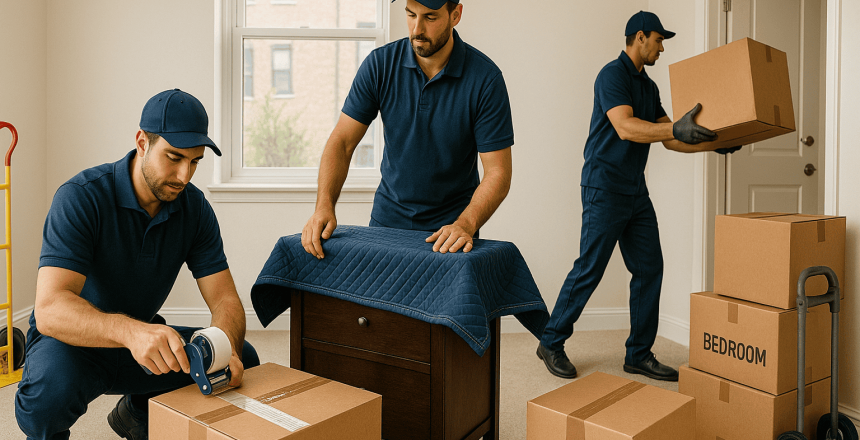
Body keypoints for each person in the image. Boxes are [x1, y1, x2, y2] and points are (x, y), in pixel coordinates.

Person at [15, 89, 260, 440]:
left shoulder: (195, 208)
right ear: (142, 142)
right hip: (73, 344)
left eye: (194, 162)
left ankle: (137, 413)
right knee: (45, 401)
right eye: (174, 157)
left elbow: (225, 300)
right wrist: (131, 332)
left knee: (243, 358)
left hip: (144, 345)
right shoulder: (81, 197)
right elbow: (52, 308)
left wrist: (229, 349)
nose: (184, 175)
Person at [537, 11, 739, 381]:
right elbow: (626, 127)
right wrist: (675, 129)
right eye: (659, 40)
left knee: (649, 268)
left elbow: (670, 135)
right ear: (640, 36)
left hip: (634, 189)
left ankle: (639, 354)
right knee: (590, 268)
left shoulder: (649, 87)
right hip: (604, 185)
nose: (662, 48)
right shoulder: (612, 76)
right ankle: (550, 341)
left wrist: (713, 142)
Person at [301, 0, 514, 258]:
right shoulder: (379, 65)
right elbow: (342, 142)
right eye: (411, 15)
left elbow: (498, 172)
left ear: (455, 15)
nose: (417, 29)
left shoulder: (485, 80)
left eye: (430, 17)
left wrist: (465, 224)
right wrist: (324, 206)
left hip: (451, 234)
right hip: (385, 226)